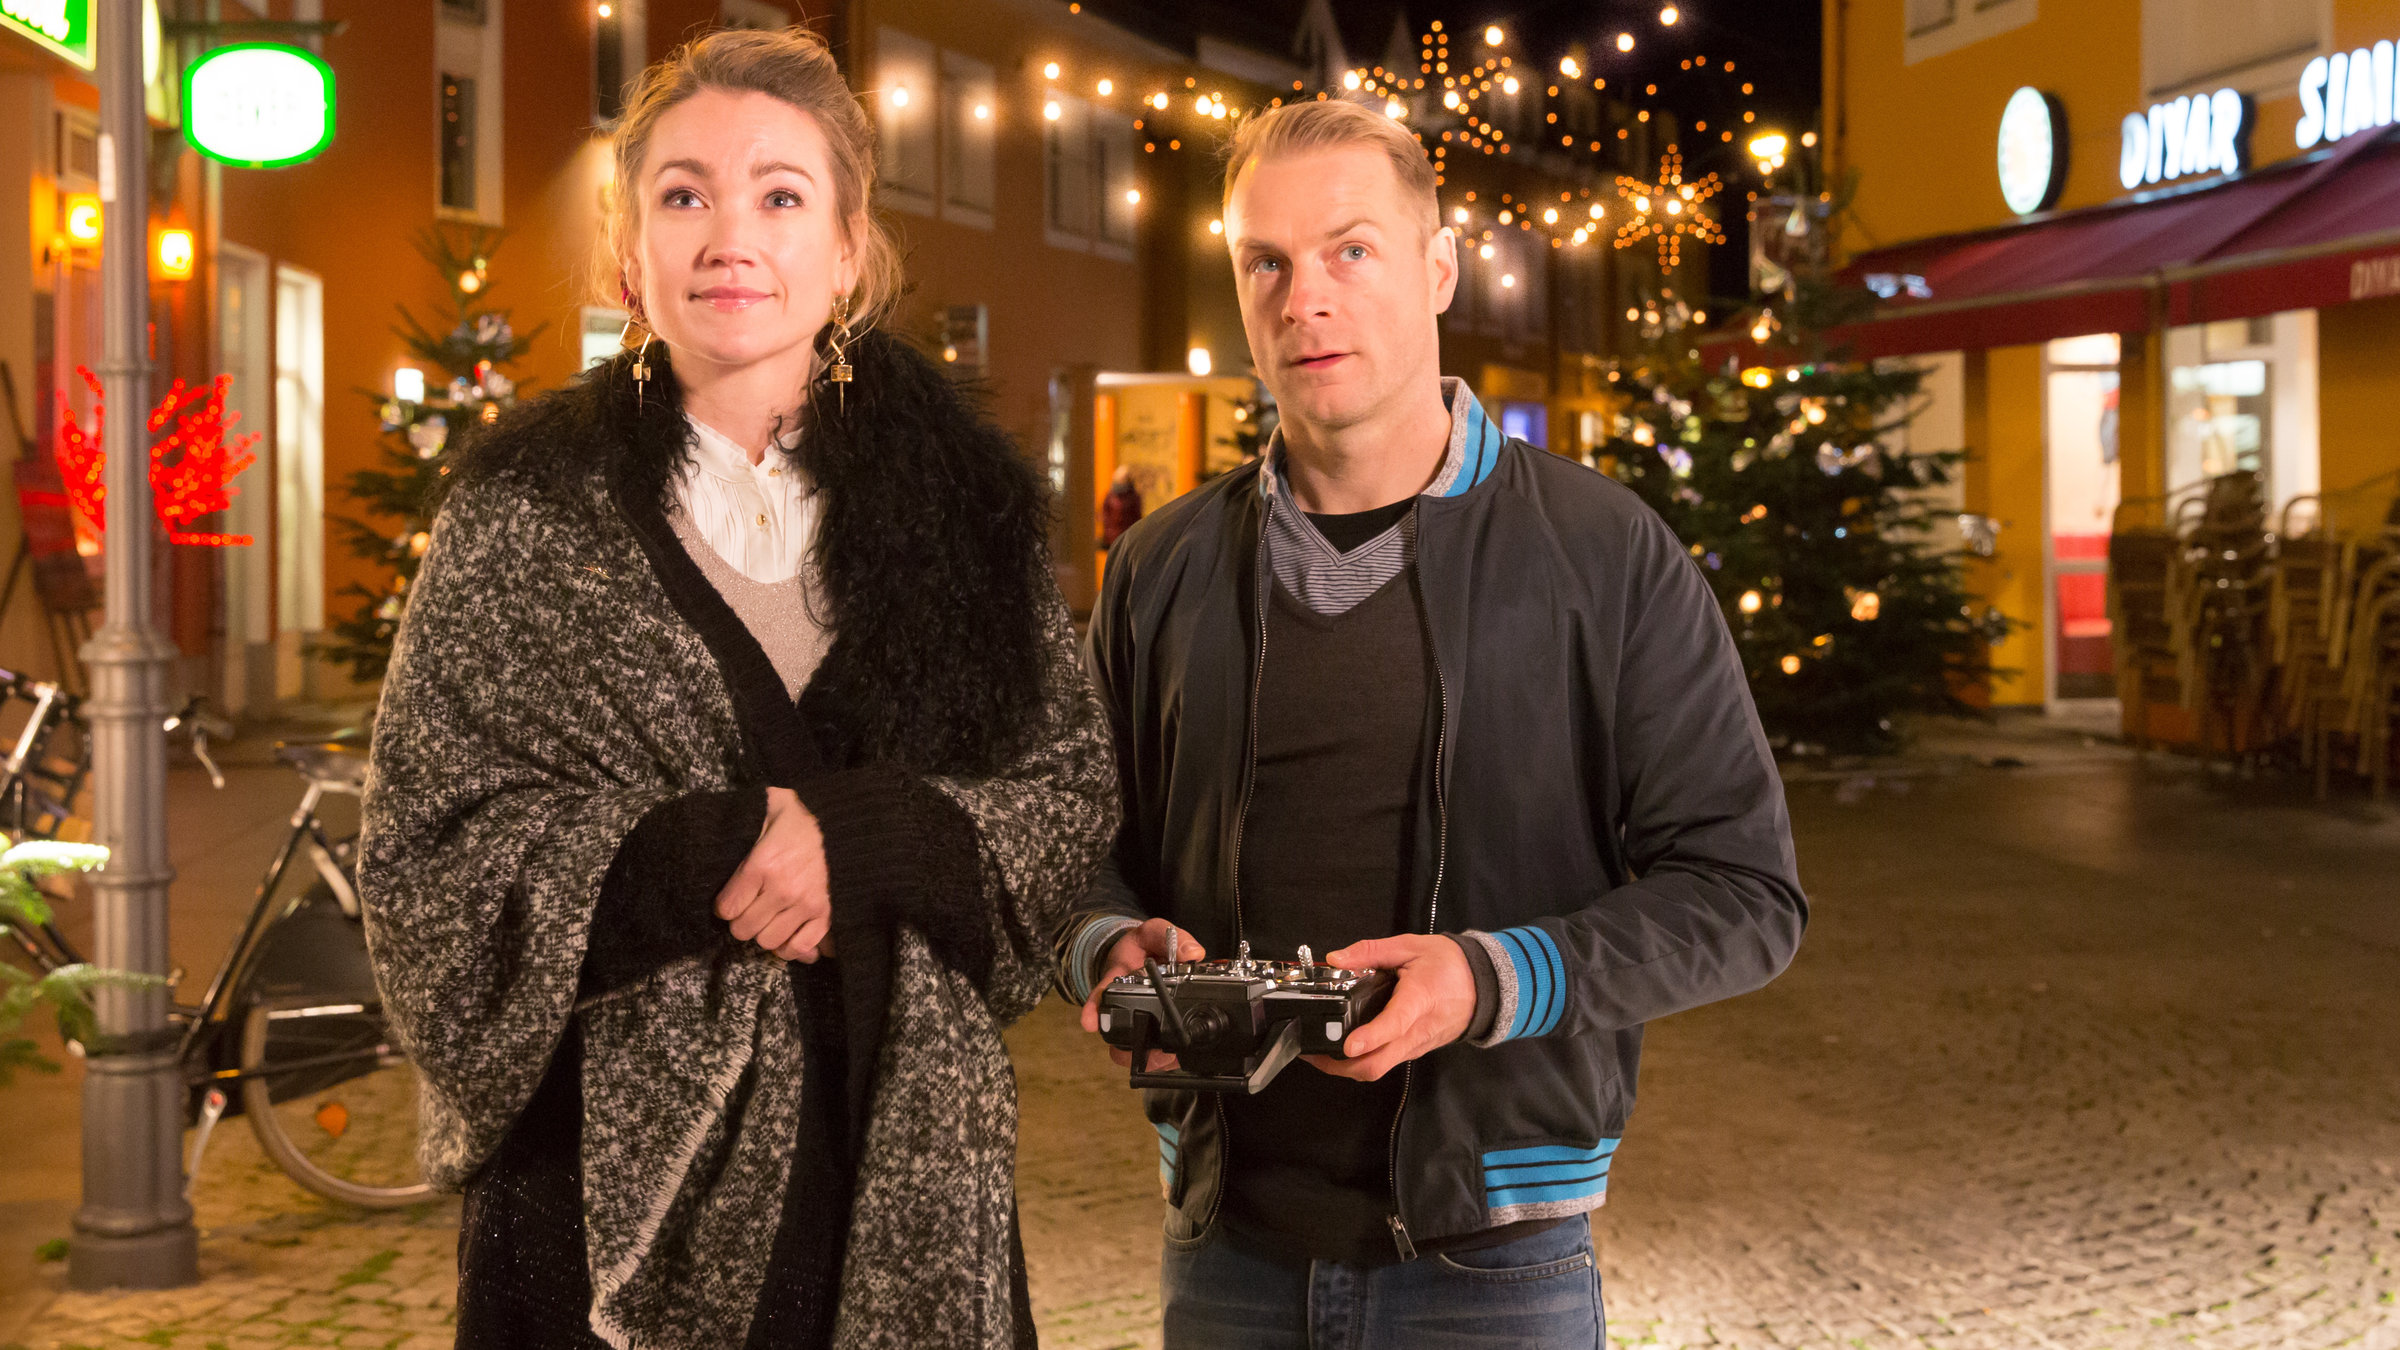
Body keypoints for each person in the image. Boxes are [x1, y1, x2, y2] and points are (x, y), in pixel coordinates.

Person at [358, 28, 1117, 1350]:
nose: (729, 235)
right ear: (627, 251)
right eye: (684, 194)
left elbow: (1064, 799)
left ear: (846, 247)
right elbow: (425, 859)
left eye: (779, 193)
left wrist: (875, 837)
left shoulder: (969, 519)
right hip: (595, 1192)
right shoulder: (526, 517)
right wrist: (694, 849)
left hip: (906, 1170)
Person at [1054, 98, 1807, 1347]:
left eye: (1352, 250)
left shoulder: (1602, 550)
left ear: (1440, 268)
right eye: (1268, 263)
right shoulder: (1161, 568)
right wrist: (1103, 942)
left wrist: (1491, 978)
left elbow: (1745, 894)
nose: (1308, 300)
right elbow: (1071, 843)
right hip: (1227, 1254)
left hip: (1495, 1273)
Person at [1100, 465, 1144, 549]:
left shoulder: (1134, 497)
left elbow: (1137, 516)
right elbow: (1106, 517)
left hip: (1128, 536)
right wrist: (1107, 534)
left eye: (1124, 478)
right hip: (1113, 537)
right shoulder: (1110, 496)